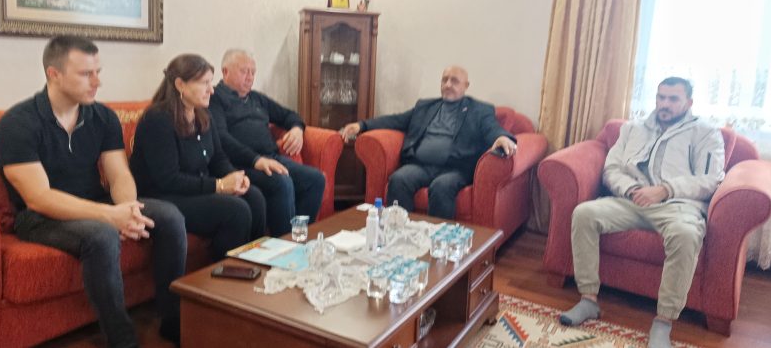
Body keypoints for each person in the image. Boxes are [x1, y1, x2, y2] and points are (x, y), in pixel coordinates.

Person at [0, 35, 186, 347]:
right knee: (101, 234)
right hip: (41, 217)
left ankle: (173, 321)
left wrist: (128, 209)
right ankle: (122, 340)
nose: (98, 82)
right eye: (86, 74)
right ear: (54, 74)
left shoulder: (103, 117)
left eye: (98, 72)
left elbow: (119, 174)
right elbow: (38, 197)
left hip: (95, 201)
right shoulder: (18, 124)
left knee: (169, 216)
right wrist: (110, 216)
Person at [559, 77, 725, 348]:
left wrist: (665, 190)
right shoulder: (633, 128)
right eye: (661, 97)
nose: (664, 104)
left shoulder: (705, 133)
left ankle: (663, 322)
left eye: (673, 99)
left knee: (685, 235)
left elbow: (710, 179)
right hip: (631, 200)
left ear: (689, 102)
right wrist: (632, 189)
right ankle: (588, 300)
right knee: (584, 214)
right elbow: (612, 168)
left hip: (677, 207)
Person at [129, 54, 266, 261]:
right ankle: (223, 273)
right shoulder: (157, 120)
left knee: (254, 196)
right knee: (235, 211)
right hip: (162, 196)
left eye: (211, 82)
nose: (211, 90)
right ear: (180, 85)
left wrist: (235, 177)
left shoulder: (203, 114)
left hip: (193, 190)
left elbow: (218, 158)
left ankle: (254, 264)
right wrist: (219, 185)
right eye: (204, 83)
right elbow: (169, 180)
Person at [340, 65, 517, 219]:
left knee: (441, 187)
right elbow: (396, 120)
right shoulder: (425, 106)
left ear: (466, 86)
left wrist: (502, 137)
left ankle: (438, 238)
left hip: (455, 169)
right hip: (420, 166)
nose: (448, 84)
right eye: (444, 80)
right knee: (399, 179)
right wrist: (362, 125)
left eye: (454, 81)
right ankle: (398, 233)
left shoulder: (479, 110)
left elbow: (491, 128)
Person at [209, 49, 324, 236]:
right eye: (244, 71)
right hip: (240, 164)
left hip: (271, 158)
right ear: (225, 72)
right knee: (281, 182)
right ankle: (283, 243)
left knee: (315, 179)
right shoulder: (215, 99)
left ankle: (299, 236)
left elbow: (289, 115)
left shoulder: (257, 98)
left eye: (253, 72)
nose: (250, 77)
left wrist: (297, 129)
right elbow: (221, 138)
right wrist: (256, 159)